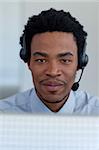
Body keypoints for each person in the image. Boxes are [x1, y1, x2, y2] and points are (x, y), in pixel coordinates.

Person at [0, 8, 99, 114]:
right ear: (28, 61)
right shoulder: (4, 113)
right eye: (41, 60)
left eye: (65, 60)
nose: (52, 72)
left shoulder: (95, 112)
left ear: (80, 63)